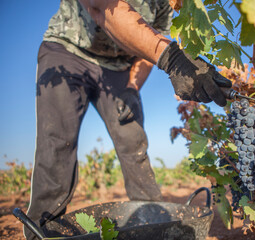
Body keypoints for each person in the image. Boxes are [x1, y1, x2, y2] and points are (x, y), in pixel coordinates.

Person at [25, 0, 232, 239]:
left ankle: (154, 223)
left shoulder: (164, 4)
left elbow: (148, 48)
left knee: (133, 142)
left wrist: (132, 88)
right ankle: (41, 231)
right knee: (57, 142)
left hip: (118, 68)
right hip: (67, 53)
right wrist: (172, 59)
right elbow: (101, 8)